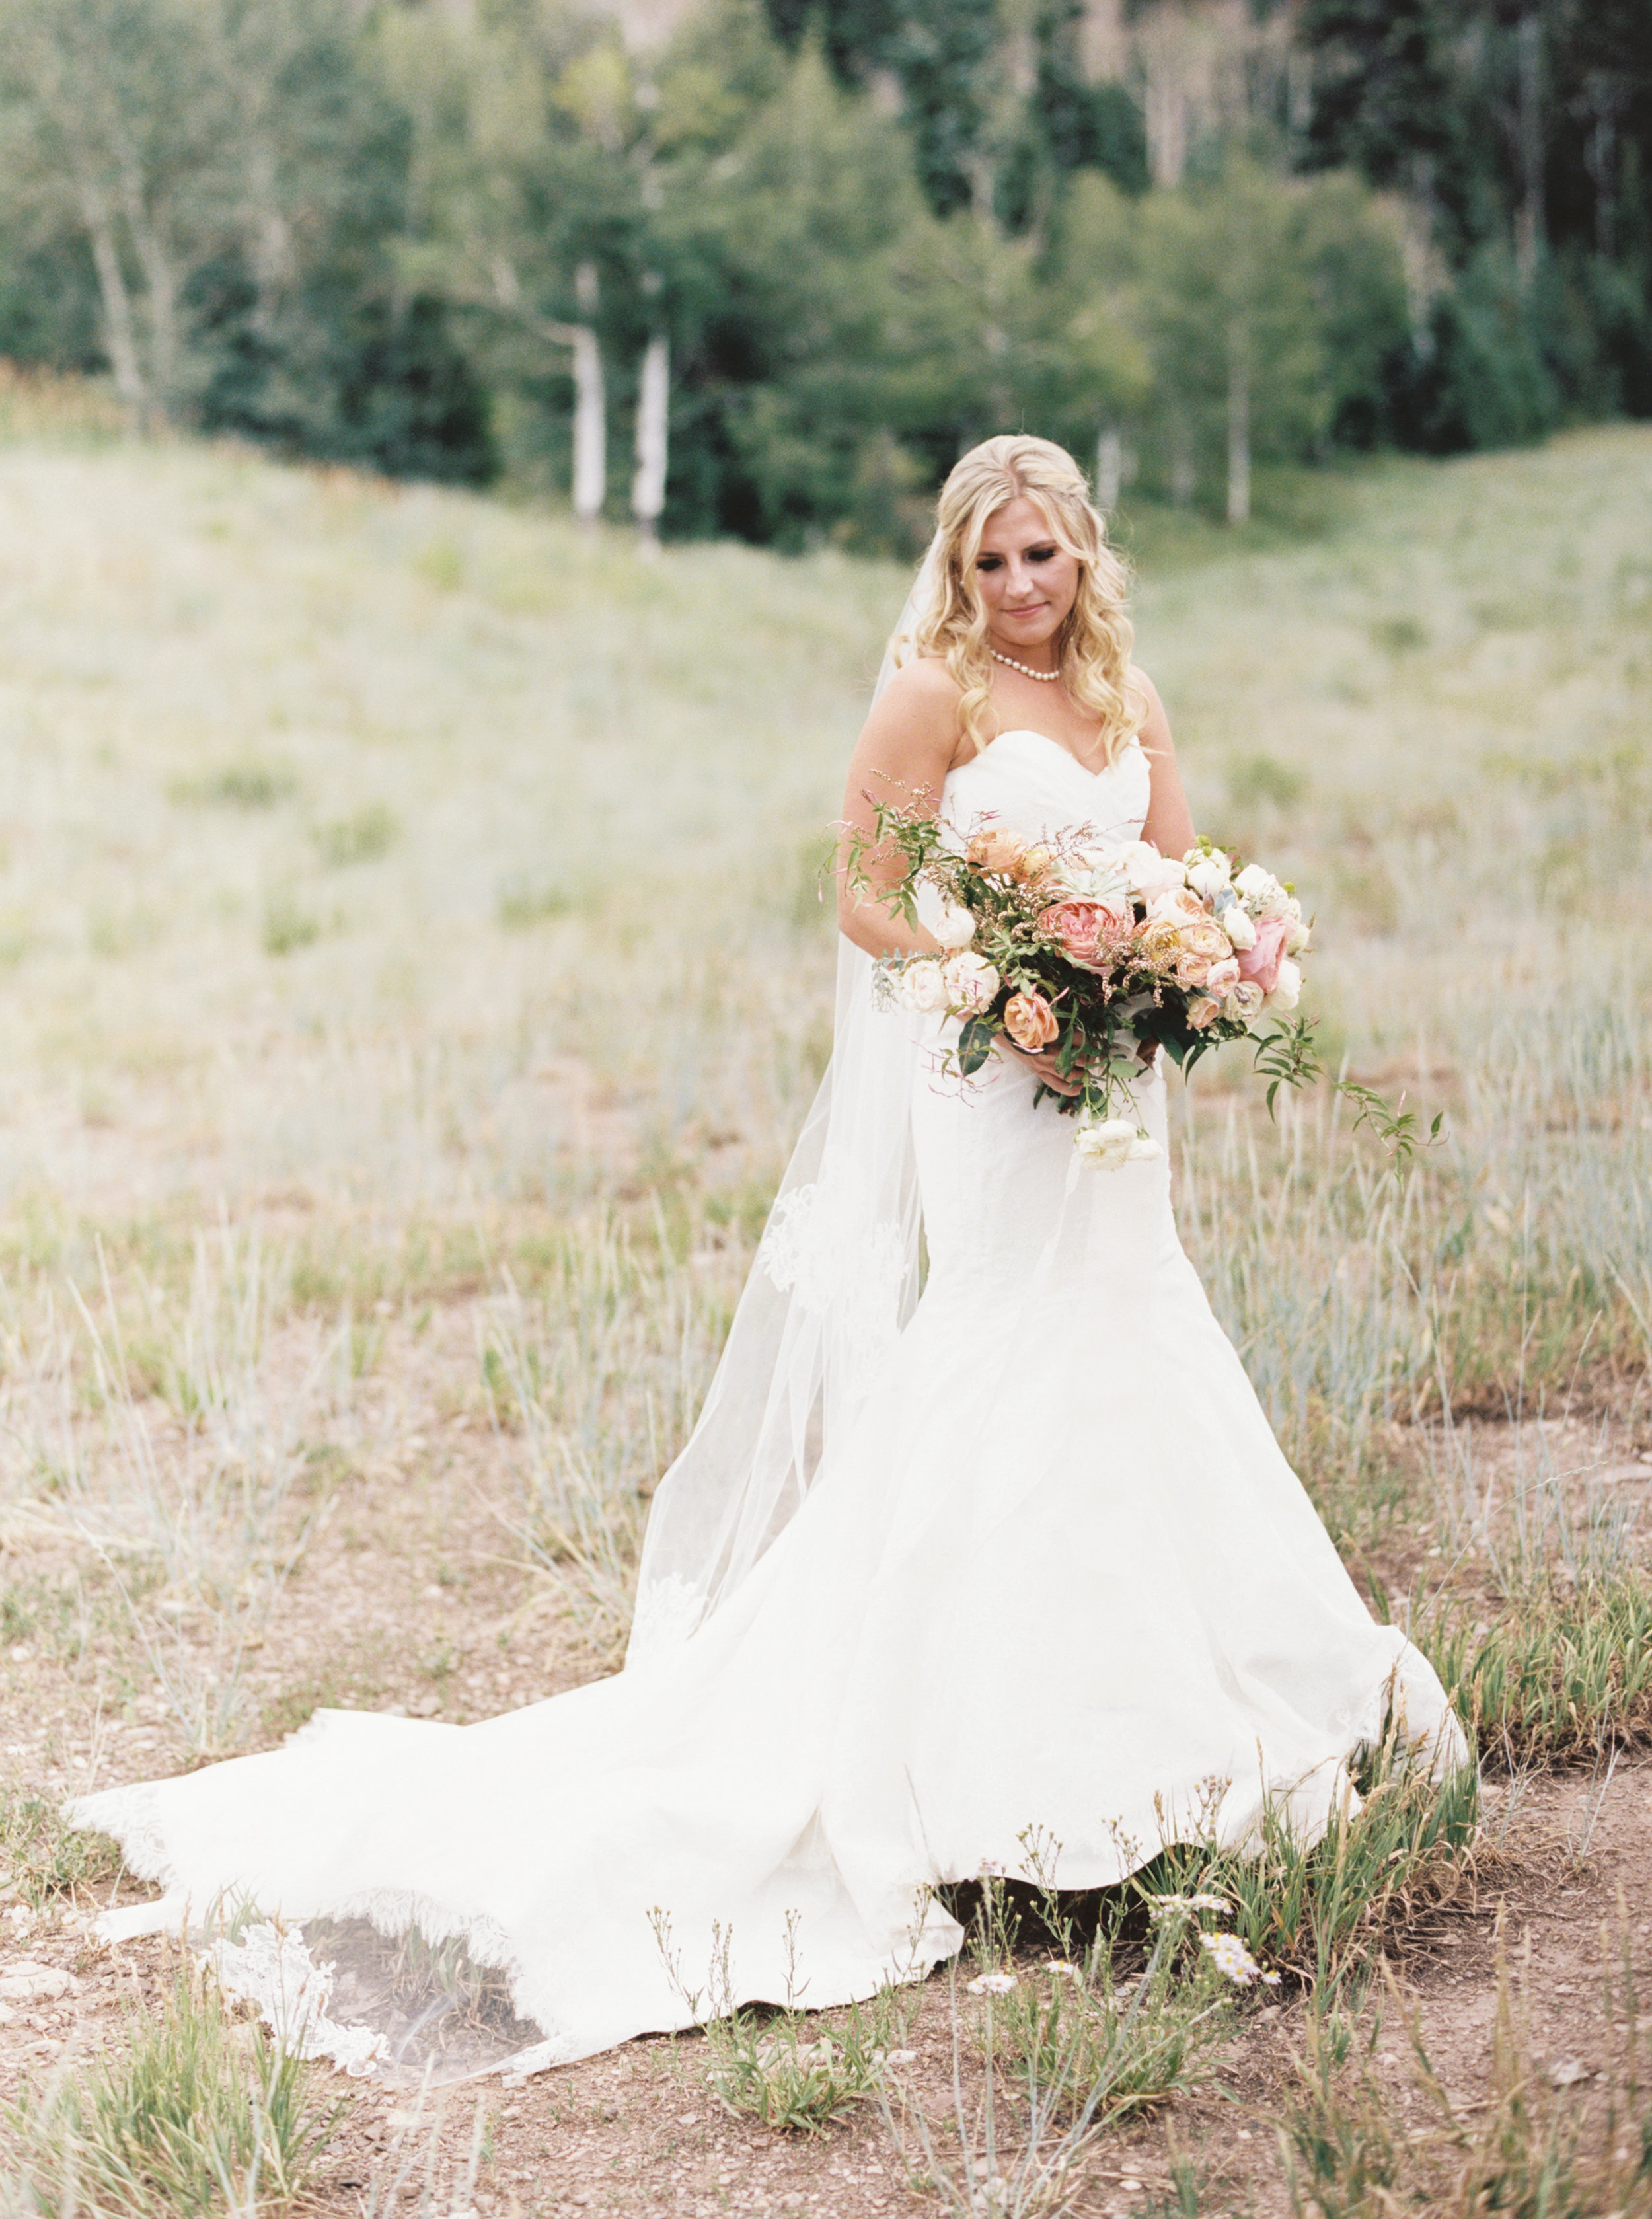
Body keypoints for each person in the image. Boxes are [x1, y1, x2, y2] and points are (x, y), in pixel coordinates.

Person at [72, 435, 1466, 2084]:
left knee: (1134, 1340)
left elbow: (1168, 874)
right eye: (992, 562)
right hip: (990, 1082)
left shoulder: (1128, 698)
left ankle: (1154, 1731)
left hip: (1115, 1098)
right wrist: (999, 973)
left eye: (1044, 556)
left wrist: (1186, 964)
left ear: (1087, 553)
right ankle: (963, 1761)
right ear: (957, 571)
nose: (1021, 586)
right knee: (1001, 1353)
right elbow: (864, 895)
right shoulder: (928, 699)